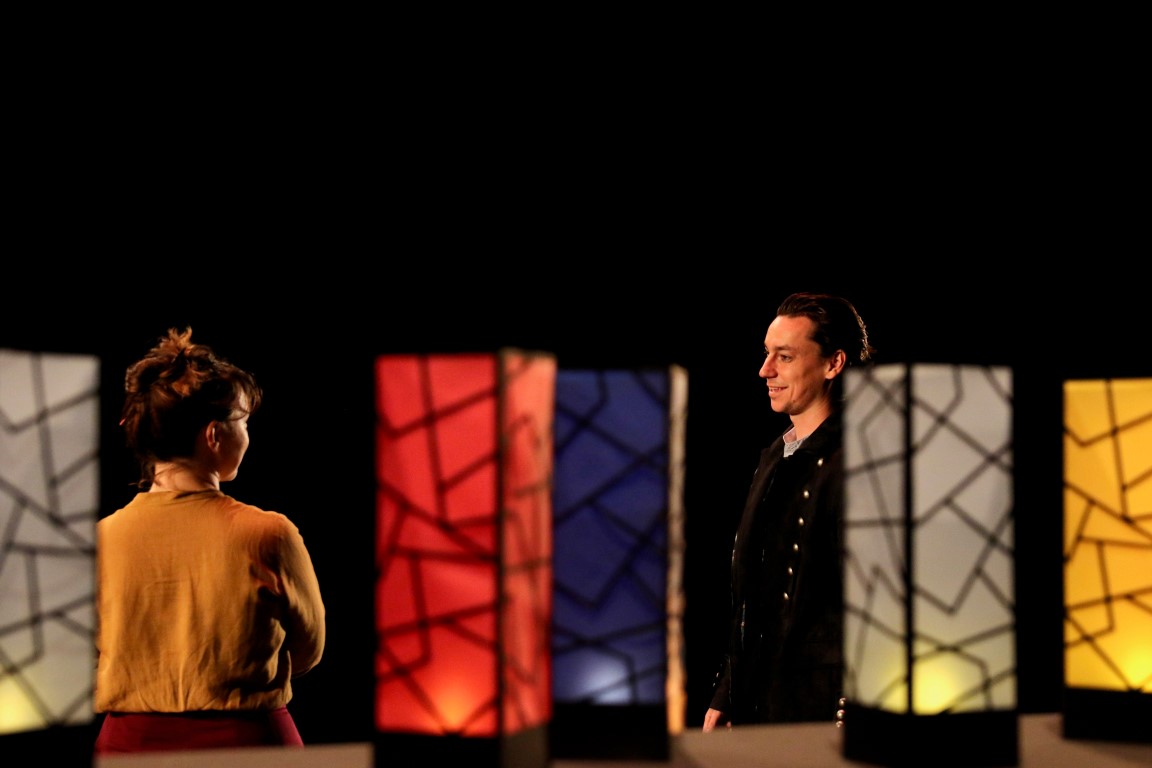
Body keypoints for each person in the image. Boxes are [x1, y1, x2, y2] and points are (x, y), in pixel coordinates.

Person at [94, 327, 326, 754]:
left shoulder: (100, 540)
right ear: (214, 435)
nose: (248, 436)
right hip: (250, 745)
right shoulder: (268, 533)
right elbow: (308, 649)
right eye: (244, 422)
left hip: (130, 746)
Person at [703, 292, 875, 732]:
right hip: (763, 707)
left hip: (822, 715)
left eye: (784, 356)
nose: (765, 370)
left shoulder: (863, 462)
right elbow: (754, 594)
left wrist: (853, 707)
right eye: (766, 354)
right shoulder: (774, 456)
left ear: (833, 363)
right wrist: (729, 691)